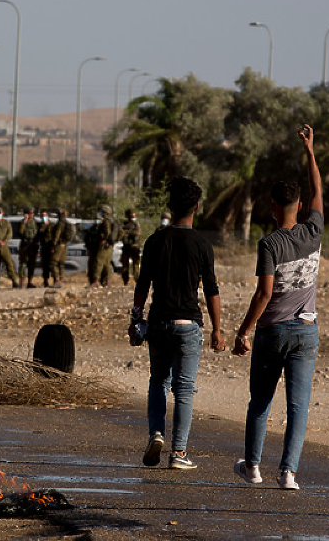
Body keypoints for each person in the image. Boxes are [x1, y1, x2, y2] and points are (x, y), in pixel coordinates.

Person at [232, 124, 324, 491]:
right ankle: (288, 473)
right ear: (299, 207)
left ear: (272, 208)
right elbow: (318, 190)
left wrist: (243, 331)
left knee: (261, 402)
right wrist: (310, 152)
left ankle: (252, 466)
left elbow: (263, 295)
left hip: (272, 333)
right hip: (306, 331)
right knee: (298, 407)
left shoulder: (269, 244)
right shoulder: (313, 230)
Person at [130, 176, 225, 470]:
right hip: (188, 324)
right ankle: (179, 453)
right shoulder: (202, 244)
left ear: (170, 207)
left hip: (158, 323)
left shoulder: (155, 241)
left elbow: (142, 285)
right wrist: (218, 330)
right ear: (196, 206)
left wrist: (136, 320)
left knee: (158, 381)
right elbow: (211, 289)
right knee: (184, 389)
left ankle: (156, 434)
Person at [87, 205, 115, 287]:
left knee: (98, 261)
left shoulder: (106, 221)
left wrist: (102, 239)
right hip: (108, 245)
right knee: (106, 263)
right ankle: (107, 281)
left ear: (104, 212)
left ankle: (96, 281)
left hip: (104, 245)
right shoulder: (110, 221)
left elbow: (106, 232)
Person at [48, 209, 73, 288]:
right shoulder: (66, 222)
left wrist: (53, 245)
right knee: (61, 263)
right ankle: (61, 280)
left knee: (53, 262)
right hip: (64, 244)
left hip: (58, 245)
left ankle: (57, 280)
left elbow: (57, 235)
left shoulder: (60, 223)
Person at [18, 207, 39, 288]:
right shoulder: (22, 222)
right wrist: (24, 221)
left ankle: (30, 282)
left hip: (32, 245)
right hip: (24, 245)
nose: (32, 214)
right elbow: (20, 232)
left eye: (32, 213)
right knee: (23, 263)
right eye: (30, 213)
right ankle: (21, 282)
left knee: (32, 264)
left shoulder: (34, 222)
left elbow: (37, 232)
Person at [120, 208, 142, 286]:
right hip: (126, 247)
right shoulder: (124, 224)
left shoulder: (136, 224)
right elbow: (121, 233)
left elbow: (137, 233)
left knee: (136, 266)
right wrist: (126, 233)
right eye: (132, 215)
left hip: (134, 248)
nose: (133, 216)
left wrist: (127, 232)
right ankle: (125, 281)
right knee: (125, 266)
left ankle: (137, 281)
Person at [37, 210, 54, 287]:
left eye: (45, 215)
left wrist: (53, 247)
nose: (43, 217)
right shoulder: (40, 226)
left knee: (53, 264)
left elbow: (55, 237)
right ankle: (45, 281)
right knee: (44, 265)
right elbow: (38, 237)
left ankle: (55, 281)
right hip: (43, 247)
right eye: (42, 216)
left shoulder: (52, 225)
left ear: (48, 216)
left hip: (50, 247)